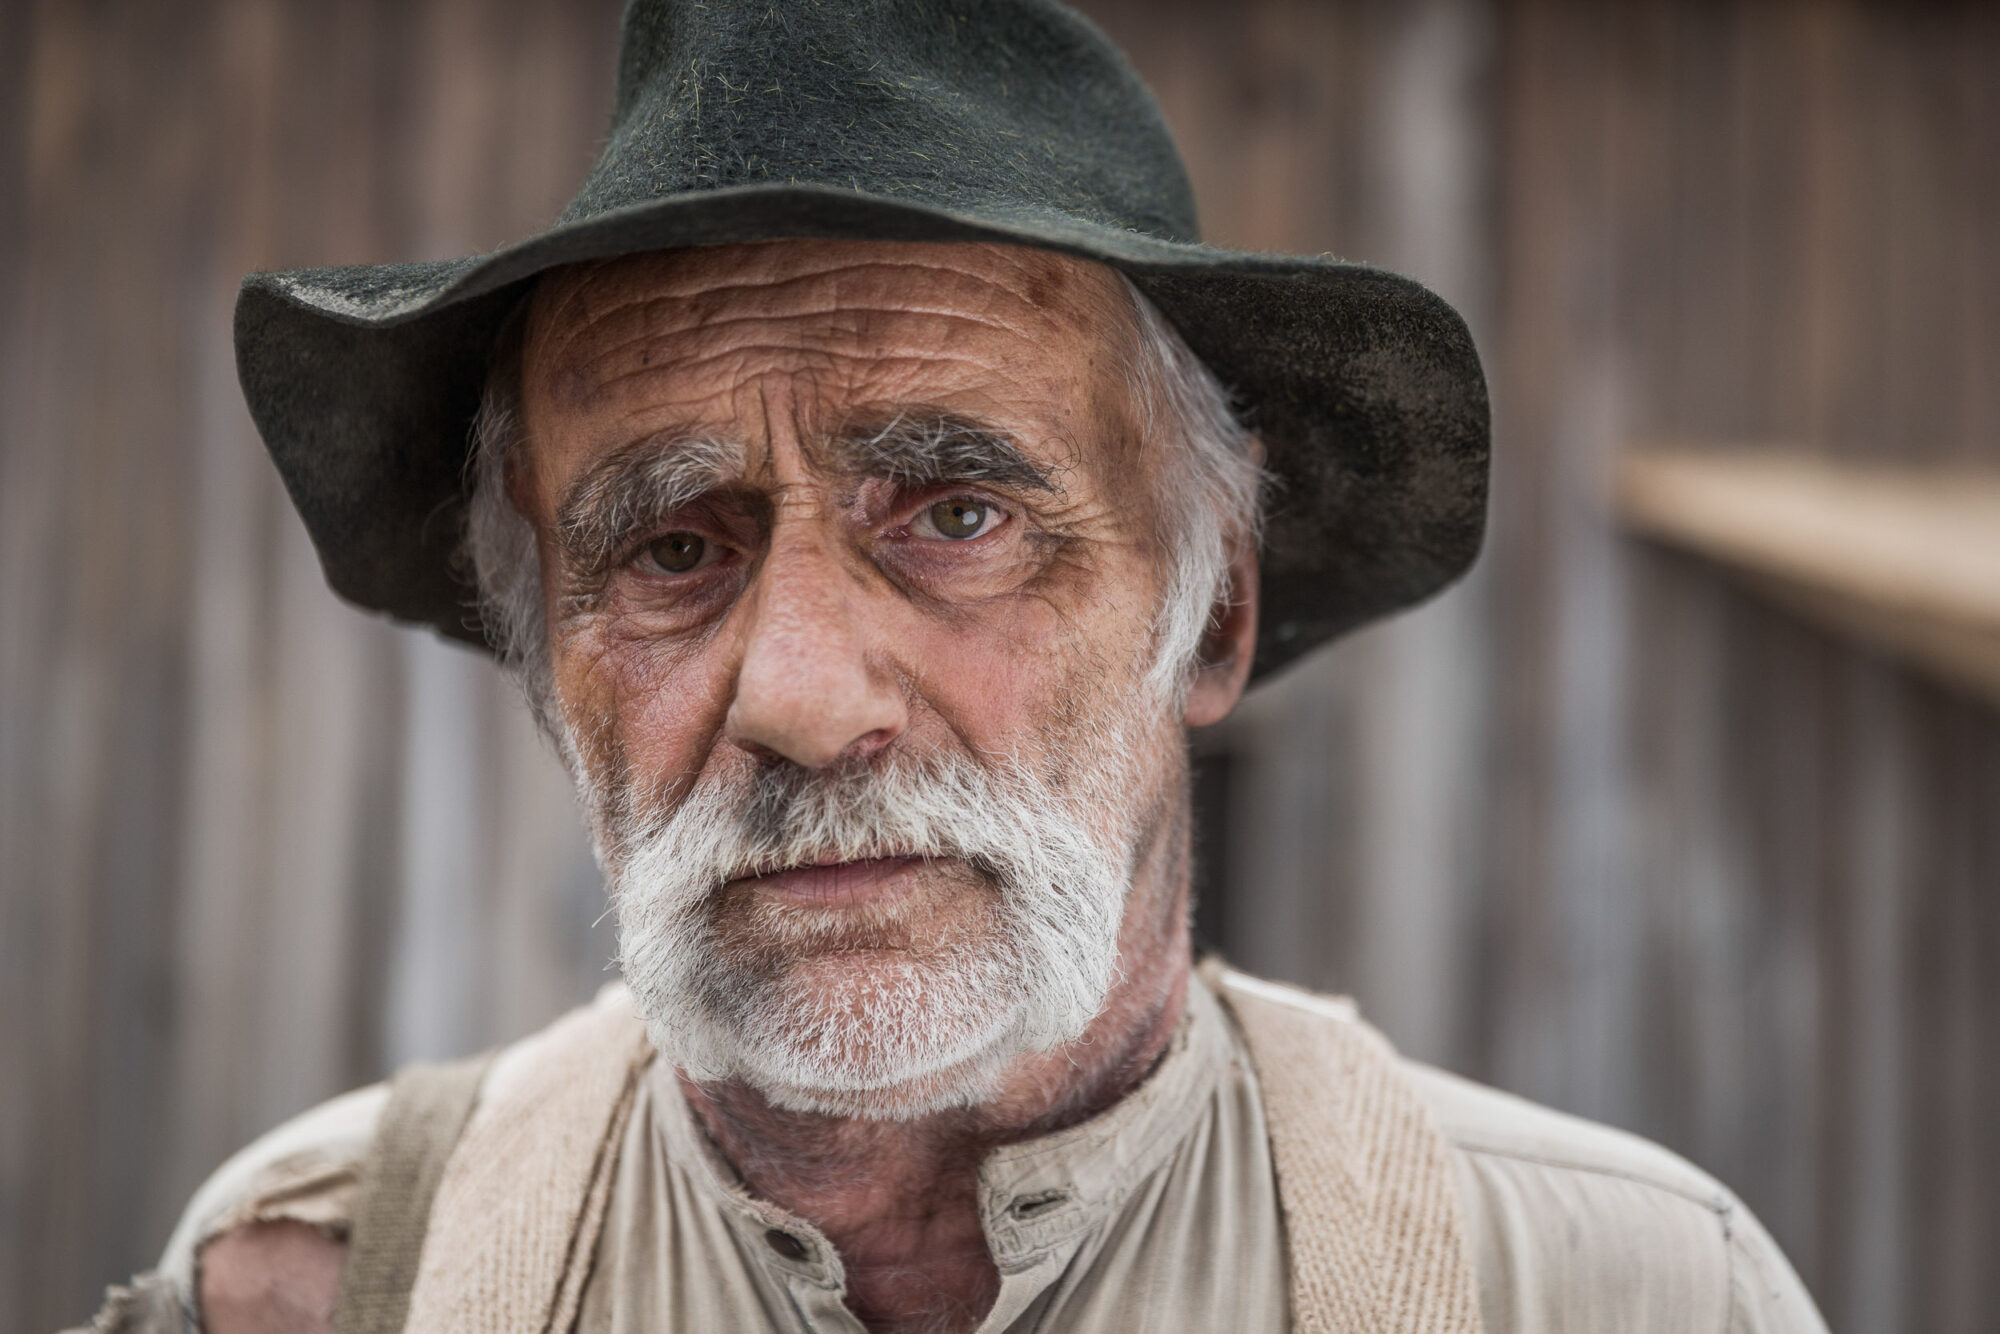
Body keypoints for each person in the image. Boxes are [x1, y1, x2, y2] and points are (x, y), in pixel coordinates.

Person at [77, 1, 1825, 1331]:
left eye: (962, 515)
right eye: (672, 549)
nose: (803, 695)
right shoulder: (331, 1271)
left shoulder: (1627, 1288)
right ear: (555, 663)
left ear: (1207, 615)